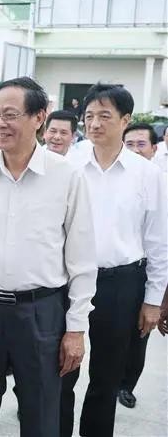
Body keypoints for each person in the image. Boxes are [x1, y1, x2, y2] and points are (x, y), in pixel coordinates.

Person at [0, 77, 97, 437]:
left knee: (42, 414)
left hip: (42, 313)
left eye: (10, 114)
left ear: (38, 117)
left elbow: (82, 258)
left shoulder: (67, 177)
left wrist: (76, 328)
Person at [66, 84, 167, 437]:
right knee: (62, 370)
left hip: (122, 282)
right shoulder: (69, 165)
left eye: (104, 116)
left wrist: (153, 300)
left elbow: (158, 240)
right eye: (89, 116)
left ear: (125, 120)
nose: (94, 123)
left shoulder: (147, 175)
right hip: (71, 280)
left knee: (107, 376)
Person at [115, 122, 160, 410]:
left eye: (140, 144)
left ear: (154, 149)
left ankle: (126, 384)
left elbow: (160, 241)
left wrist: (157, 295)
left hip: (143, 269)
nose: (133, 150)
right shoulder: (116, 176)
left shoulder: (157, 179)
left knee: (138, 334)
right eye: (128, 144)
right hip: (113, 272)